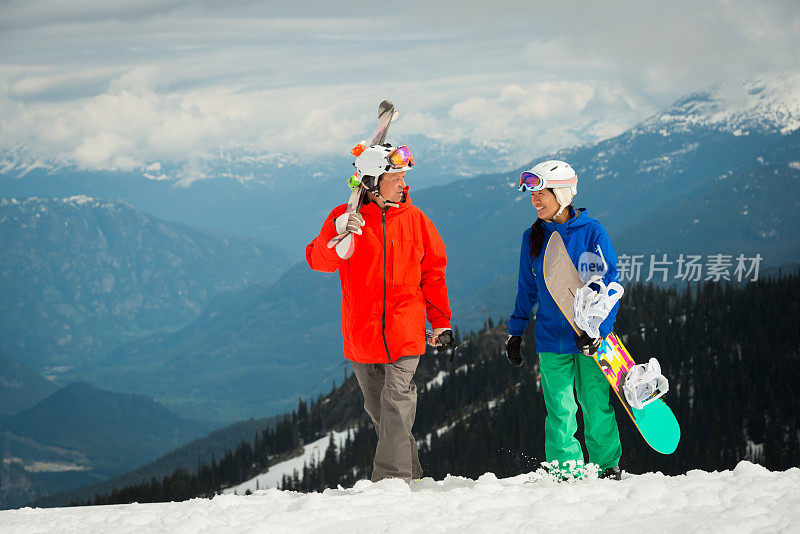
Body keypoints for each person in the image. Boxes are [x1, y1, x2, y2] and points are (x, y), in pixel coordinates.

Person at [306, 142, 453, 483]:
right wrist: (337, 229)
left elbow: (434, 275)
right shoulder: (345, 218)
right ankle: (412, 477)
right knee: (383, 415)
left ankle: (390, 485)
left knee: (396, 406)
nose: (404, 184)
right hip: (362, 337)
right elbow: (318, 261)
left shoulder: (417, 221)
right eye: (396, 177)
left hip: (406, 333)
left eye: (404, 177)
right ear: (372, 182)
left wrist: (441, 323)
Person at [505, 159, 623, 480]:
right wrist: (516, 332)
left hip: (589, 338)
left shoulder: (592, 232)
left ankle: (606, 466)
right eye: (533, 195)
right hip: (549, 339)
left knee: (595, 406)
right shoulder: (532, 237)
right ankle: (565, 471)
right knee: (560, 410)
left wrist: (600, 330)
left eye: (542, 193)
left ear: (564, 193)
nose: (535, 200)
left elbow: (610, 283)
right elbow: (526, 289)